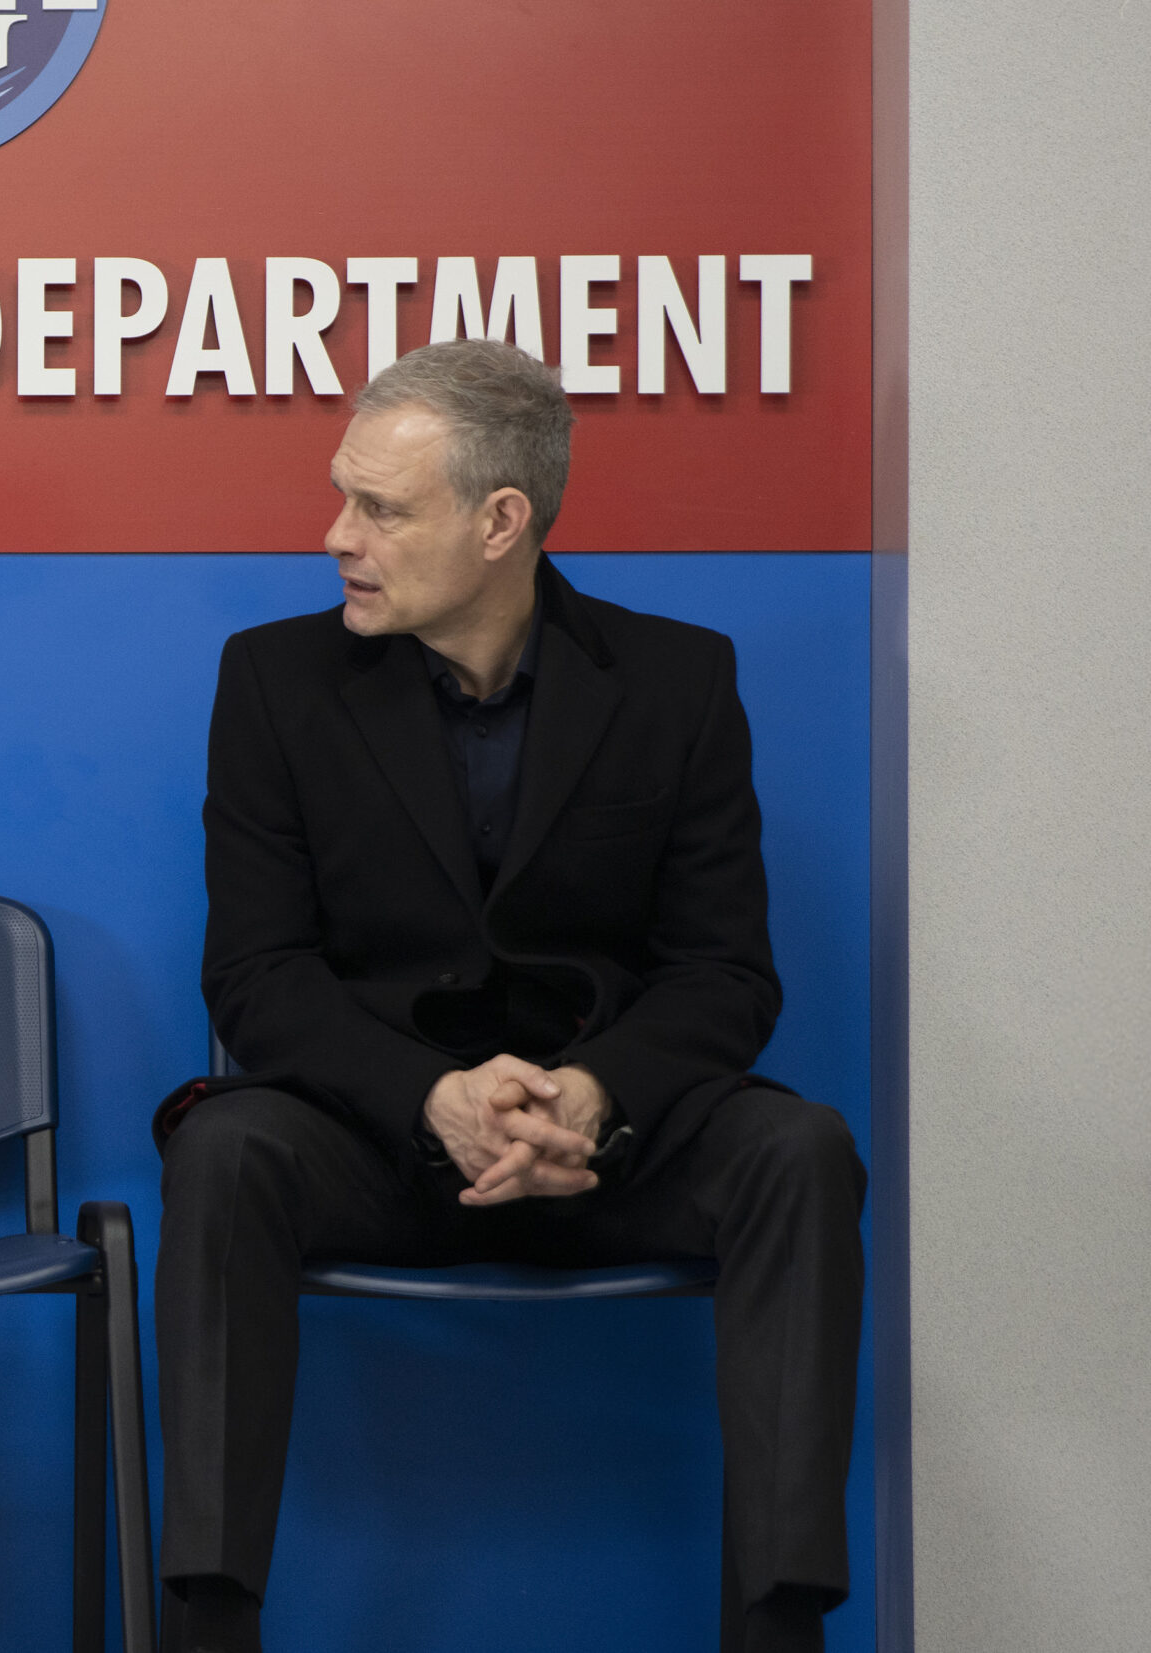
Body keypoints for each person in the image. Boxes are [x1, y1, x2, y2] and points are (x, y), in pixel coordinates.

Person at [152, 339, 865, 1653]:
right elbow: (255, 975)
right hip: (380, 1141)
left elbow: (725, 972)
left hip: (608, 1150)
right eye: (342, 497)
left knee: (800, 1152)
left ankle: (779, 1631)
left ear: (500, 522)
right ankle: (206, 1627)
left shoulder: (677, 683)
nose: (336, 537)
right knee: (224, 1150)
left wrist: (592, 1096)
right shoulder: (272, 681)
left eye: (380, 508)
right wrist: (433, 1098)